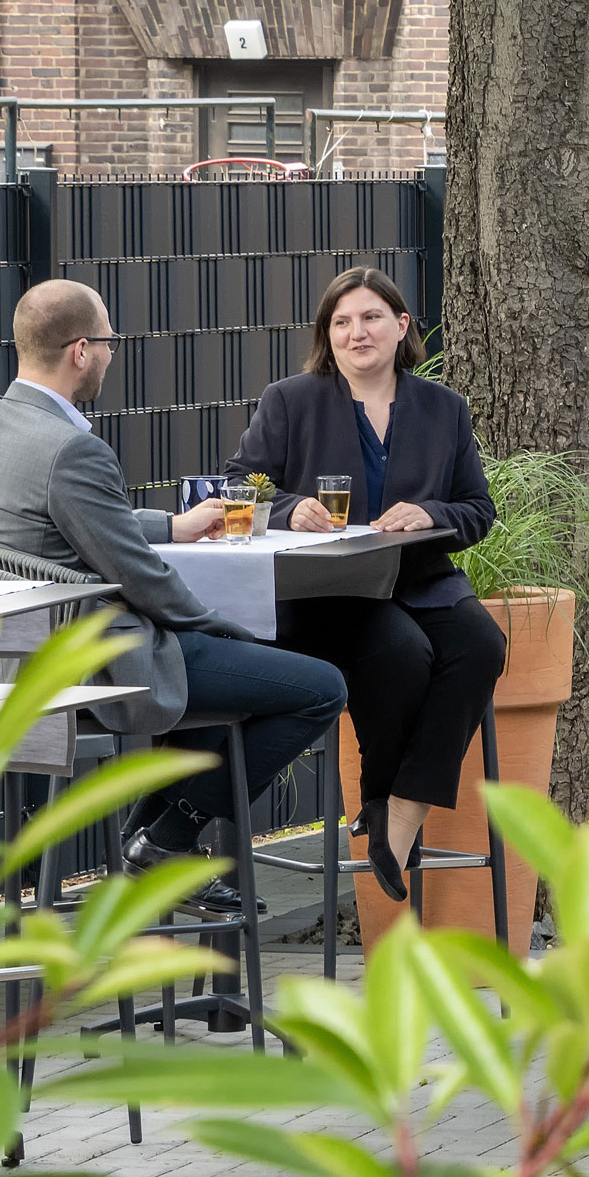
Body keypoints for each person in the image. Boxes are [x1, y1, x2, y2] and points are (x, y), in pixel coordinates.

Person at [0, 278, 346, 906]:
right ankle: (167, 838)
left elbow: (58, 529)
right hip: (101, 658)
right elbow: (139, 576)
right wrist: (219, 624)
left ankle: (149, 846)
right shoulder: (73, 449)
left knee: (223, 674)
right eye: (108, 342)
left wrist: (171, 524)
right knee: (319, 688)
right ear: (80, 351)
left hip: (19, 656)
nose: (112, 354)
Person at [227, 266, 502, 901]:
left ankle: (399, 809)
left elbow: (476, 509)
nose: (357, 333)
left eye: (372, 317)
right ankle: (381, 799)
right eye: (342, 322)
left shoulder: (443, 409)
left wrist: (431, 512)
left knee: (481, 645)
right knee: (403, 651)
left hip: (423, 579)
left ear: (402, 326)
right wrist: (289, 505)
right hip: (332, 590)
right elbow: (239, 485)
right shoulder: (291, 400)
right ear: (328, 333)